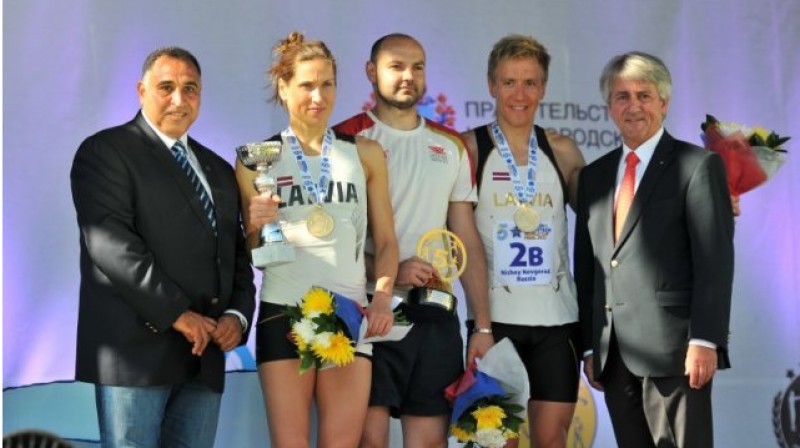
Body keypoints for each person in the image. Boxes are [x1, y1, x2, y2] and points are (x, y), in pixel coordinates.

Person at [70, 47, 256, 448]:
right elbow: (112, 246)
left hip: (205, 355)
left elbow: (236, 254)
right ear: (141, 91)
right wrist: (178, 314)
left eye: (190, 89)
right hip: (135, 353)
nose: (178, 99)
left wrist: (238, 316)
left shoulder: (219, 169)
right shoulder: (106, 152)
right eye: (166, 87)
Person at [238, 32, 399, 448]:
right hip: (282, 310)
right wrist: (255, 226)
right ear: (284, 87)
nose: (318, 96)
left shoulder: (365, 153)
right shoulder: (255, 159)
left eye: (327, 84)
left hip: (348, 311)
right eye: (307, 84)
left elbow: (385, 241)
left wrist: (382, 297)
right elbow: (255, 253)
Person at [334, 33, 493, 448]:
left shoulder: (450, 145)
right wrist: (387, 272)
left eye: (417, 67)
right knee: (369, 442)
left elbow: (466, 239)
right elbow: (328, 240)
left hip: (435, 313)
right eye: (396, 67)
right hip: (367, 309)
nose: (408, 76)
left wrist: (482, 325)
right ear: (371, 72)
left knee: (429, 443)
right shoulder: (343, 139)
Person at [574, 51, 734, 448]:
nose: (633, 106)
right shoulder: (593, 176)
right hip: (614, 357)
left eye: (643, 95)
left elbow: (714, 262)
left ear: (664, 102)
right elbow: (589, 268)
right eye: (622, 96)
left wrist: (705, 339)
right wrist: (591, 345)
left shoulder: (697, 166)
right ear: (610, 107)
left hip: (676, 353)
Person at [460, 34, 586, 448]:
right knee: (497, 442)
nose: (520, 94)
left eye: (530, 83)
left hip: (557, 322)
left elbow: (605, 217)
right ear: (491, 85)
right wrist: (480, 326)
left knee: (552, 440)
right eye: (509, 82)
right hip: (496, 323)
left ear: (543, 88)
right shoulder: (469, 149)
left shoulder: (562, 150)